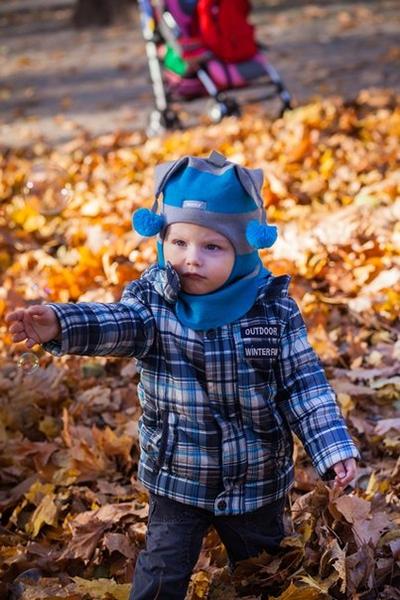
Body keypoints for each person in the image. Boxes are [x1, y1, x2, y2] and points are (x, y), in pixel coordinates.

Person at [6, 151, 359, 600]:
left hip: (256, 479)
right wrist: (60, 324)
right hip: (178, 476)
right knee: (161, 574)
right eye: (178, 242)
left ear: (245, 249)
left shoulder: (272, 310)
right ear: (161, 239)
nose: (191, 259)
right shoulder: (153, 304)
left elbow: (303, 386)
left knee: (264, 572)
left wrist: (332, 449)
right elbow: (115, 323)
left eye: (212, 247)